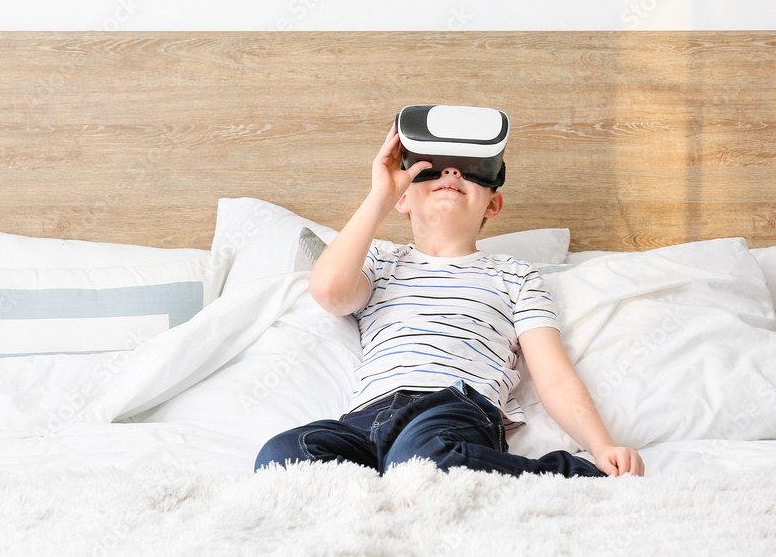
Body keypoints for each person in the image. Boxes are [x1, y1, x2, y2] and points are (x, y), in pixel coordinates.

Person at [255, 122, 644, 477]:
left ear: (493, 204)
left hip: (453, 409)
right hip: (368, 417)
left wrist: (601, 445)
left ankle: (570, 476)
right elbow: (329, 292)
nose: (451, 173)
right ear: (405, 199)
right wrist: (381, 194)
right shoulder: (380, 260)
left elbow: (555, 378)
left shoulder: (515, 276)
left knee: (420, 458)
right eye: (433, 168)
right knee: (282, 455)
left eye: (469, 170)